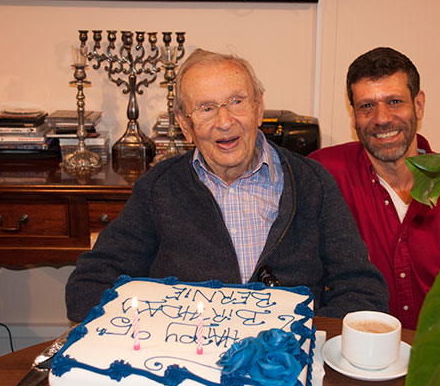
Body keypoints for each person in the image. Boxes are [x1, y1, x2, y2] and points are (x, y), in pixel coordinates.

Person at [65, 48, 389, 322]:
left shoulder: (312, 183)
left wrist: (304, 341)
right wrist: (163, 328)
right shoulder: (159, 189)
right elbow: (87, 286)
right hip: (189, 369)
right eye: (206, 108)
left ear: (259, 107)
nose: (224, 121)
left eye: (236, 102)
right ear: (184, 125)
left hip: (285, 370)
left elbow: (363, 291)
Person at [308, 47, 440, 329]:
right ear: (353, 115)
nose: (382, 118)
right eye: (366, 106)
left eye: (394, 101)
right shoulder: (324, 174)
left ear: (418, 105)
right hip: (354, 359)